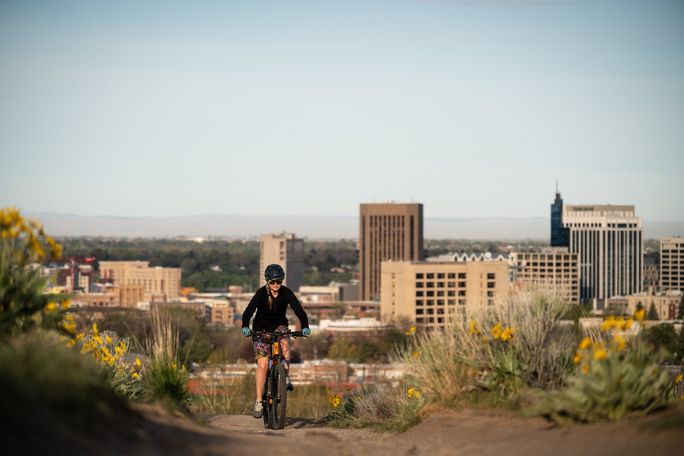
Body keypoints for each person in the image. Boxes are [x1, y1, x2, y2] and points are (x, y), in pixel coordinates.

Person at [241, 263, 311, 419]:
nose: (276, 285)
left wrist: (305, 326)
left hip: (279, 327)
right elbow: (248, 312)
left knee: (285, 340)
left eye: (279, 281)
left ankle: (284, 375)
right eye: (272, 282)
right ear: (267, 281)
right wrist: (245, 326)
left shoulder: (287, 293)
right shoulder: (261, 294)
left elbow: (299, 310)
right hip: (261, 330)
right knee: (263, 364)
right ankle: (259, 401)